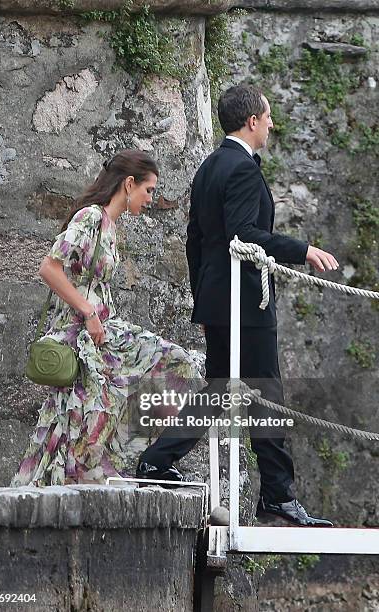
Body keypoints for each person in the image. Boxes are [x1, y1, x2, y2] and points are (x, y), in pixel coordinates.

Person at [136, 84, 339, 527]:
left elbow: (196, 242)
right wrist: (302, 249)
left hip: (220, 298)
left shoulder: (209, 167)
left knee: (221, 390)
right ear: (251, 122)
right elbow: (244, 235)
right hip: (245, 299)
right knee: (266, 393)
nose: (271, 124)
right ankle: (279, 496)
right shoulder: (242, 170)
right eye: (267, 117)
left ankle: (156, 461)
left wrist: (204, 302)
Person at [11, 150, 203, 487]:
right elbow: (49, 268)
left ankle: (137, 464)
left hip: (101, 333)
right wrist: (88, 313)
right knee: (85, 417)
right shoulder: (91, 218)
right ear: (129, 184)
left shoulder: (110, 226)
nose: (151, 198)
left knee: (172, 369)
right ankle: (111, 474)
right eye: (149, 190)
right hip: (80, 333)